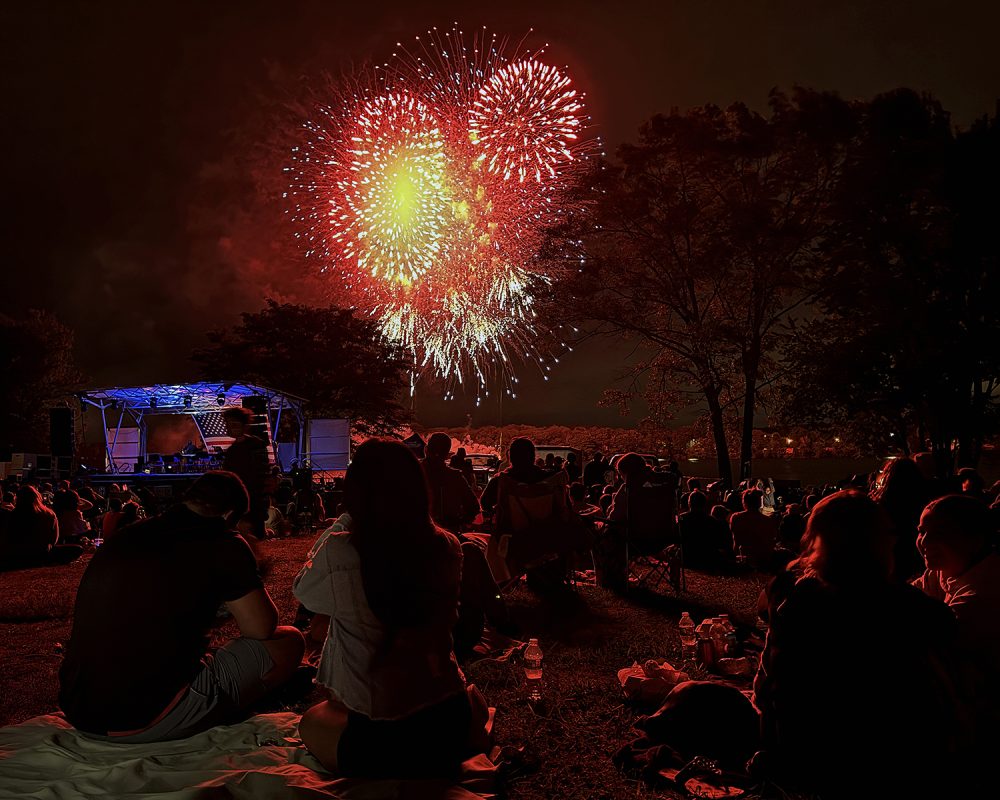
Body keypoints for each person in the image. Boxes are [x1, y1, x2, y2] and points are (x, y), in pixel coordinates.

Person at [58, 471, 304, 742]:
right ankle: (213, 708)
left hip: (80, 711)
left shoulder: (126, 537)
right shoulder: (223, 540)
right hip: (146, 716)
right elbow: (261, 628)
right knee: (289, 641)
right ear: (229, 515)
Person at [753, 491, 963, 798]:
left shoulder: (795, 597)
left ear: (816, 539)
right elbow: (948, 633)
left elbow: (772, 685)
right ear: (881, 542)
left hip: (809, 754)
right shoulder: (907, 606)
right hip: (894, 758)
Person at [293, 439, 478, 777]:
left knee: (312, 722)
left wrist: (346, 519)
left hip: (385, 737)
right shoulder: (447, 545)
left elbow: (304, 593)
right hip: (450, 723)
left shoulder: (341, 548)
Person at [913, 494, 1000, 768]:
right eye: (921, 532)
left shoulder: (982, 597)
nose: (924, 543)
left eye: (939, 534)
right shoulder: (946, 570)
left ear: (974, 538)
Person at [0, 485, 82, 569]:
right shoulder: (48, 514)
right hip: (41, 553)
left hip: (17, 554)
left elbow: (5, 536)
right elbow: (54, 539)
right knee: (77, 549)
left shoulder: (12, 515)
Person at [222, 406, 271, 540]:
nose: (230, 428)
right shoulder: (232, 451)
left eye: (234, 424)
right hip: (239, 498)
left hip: (253, 498)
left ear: (244, 426)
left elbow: (262, 471)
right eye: (228, 424)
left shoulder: (256, 444)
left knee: (255, 534)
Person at [422, 433, 481, 532]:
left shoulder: (413, 473)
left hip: (417, 534)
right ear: (446, 454)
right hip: (449, 532)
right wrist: (459, 522)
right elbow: (474, 507)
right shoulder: (455, 477)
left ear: (426, 450)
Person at [678, 490, 732, 570]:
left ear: (689, 503)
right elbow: (720, 543)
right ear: (704, 504)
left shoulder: (682, 519)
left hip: (686, 558)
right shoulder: (712, 521)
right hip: (708, 558)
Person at [729, 489, 777, 570]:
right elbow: (770, 542)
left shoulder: (736, 517)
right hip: (763, 559)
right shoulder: (767, 521)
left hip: (744, 558)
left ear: (744, 502)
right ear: (759, 503)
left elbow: (736, 541)